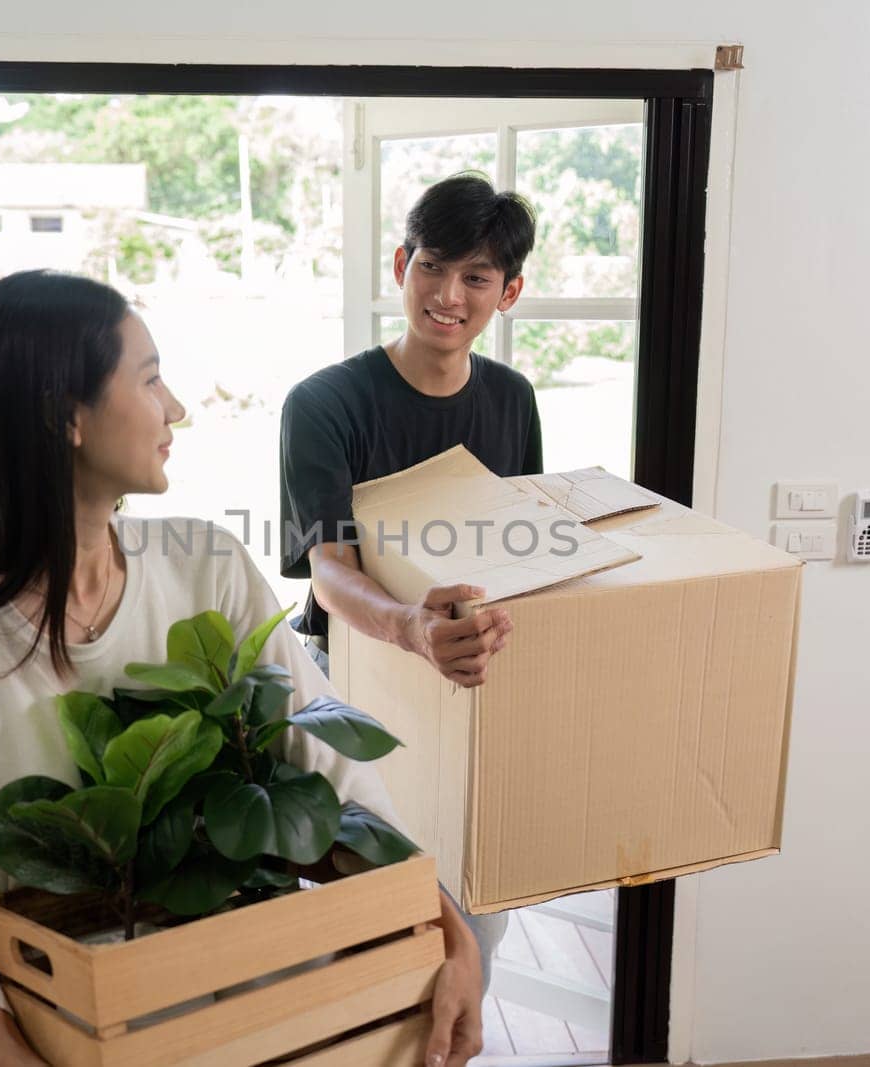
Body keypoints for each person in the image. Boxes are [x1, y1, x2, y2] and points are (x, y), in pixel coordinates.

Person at [0, 271, 484, 1067]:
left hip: (268, 1021)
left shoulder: (205, 567)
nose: (175, 406)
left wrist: (452, 938)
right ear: (63, 415)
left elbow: (336, 781)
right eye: (149, 379)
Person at [279, 173, 542, 987]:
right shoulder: (325, 403)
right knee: (365, 933)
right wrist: (408, 627)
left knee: (474, 926)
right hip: (349, 686)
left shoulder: (513, 401)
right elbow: (329, 572)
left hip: (466, 685)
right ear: (401, 264)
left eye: (476, 277)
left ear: (510, 291)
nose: (448, 295)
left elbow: (519, 559)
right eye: (433, 266)